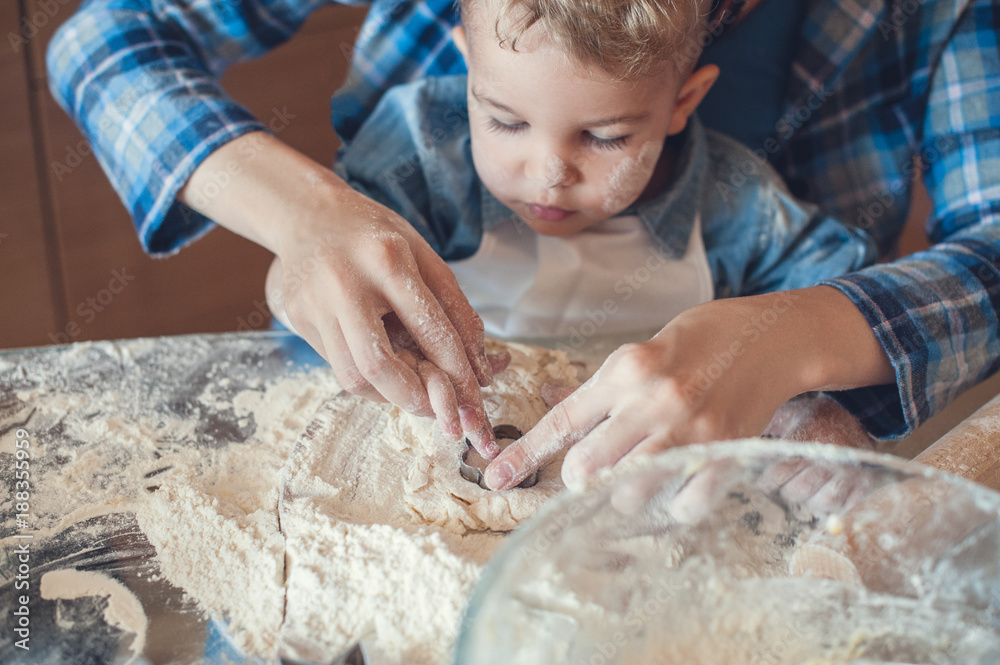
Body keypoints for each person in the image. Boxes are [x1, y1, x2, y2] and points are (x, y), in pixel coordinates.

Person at [47, 1, 1000, 488]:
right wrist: (304, 216)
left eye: (609, 136)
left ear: (684, 98)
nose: (549, 177)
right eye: (503, 119)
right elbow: (104, 37)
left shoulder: (744, 204)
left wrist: (795, 350)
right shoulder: (418, 145)